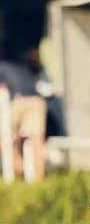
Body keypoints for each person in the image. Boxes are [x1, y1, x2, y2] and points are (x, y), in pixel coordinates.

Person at [0, 45, 48, 182]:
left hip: (18, 101)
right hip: (36, 100)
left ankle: (18, 167)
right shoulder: (25, 63)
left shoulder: (2, 66)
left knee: (6, 137)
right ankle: (39, 179)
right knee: (37, 140)